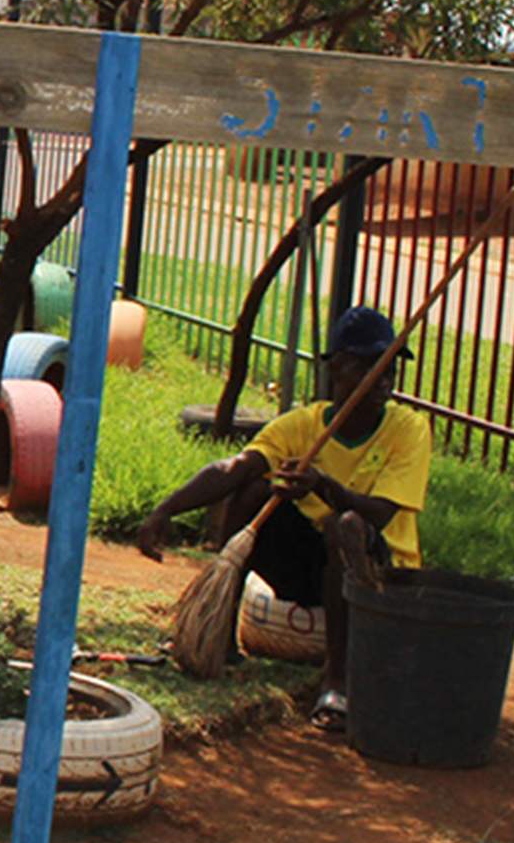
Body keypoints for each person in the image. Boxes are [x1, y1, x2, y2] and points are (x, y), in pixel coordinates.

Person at [134, 305, 431, 731]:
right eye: (368, 367)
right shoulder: (302, 425)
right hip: (312, 572)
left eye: (390, 368)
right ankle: (219, 633)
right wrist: (166, 509)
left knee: (343, 524)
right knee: (254, 491)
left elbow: (379, 515)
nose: (383, 379)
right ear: (337, 368)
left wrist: (323, 485)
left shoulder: (409, 429)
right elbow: (234, 468)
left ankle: (337, 679)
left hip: (376, 572)